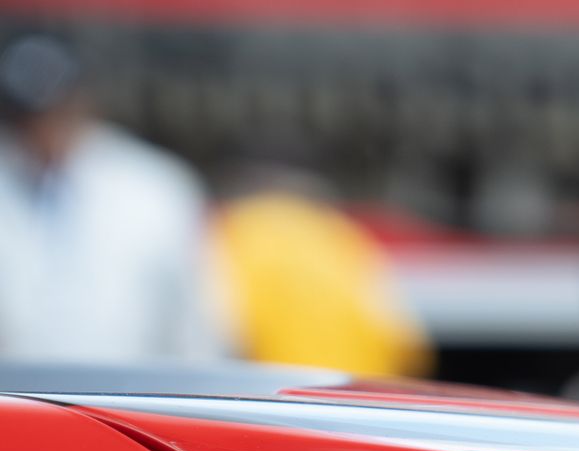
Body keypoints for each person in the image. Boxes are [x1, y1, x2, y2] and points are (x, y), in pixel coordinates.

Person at [0, 33, 223, 364]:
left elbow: (197, 320)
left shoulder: (152, 186)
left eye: (55, 112)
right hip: (19, 402)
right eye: (28, 118)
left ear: (80, 104)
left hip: (129, 398)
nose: (43, 129)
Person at [217, 157, 430, 379]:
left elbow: (221, 325)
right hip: (357, 393)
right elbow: (405, 338)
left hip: (270, 391)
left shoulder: (238, 232)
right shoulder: (344, 234)